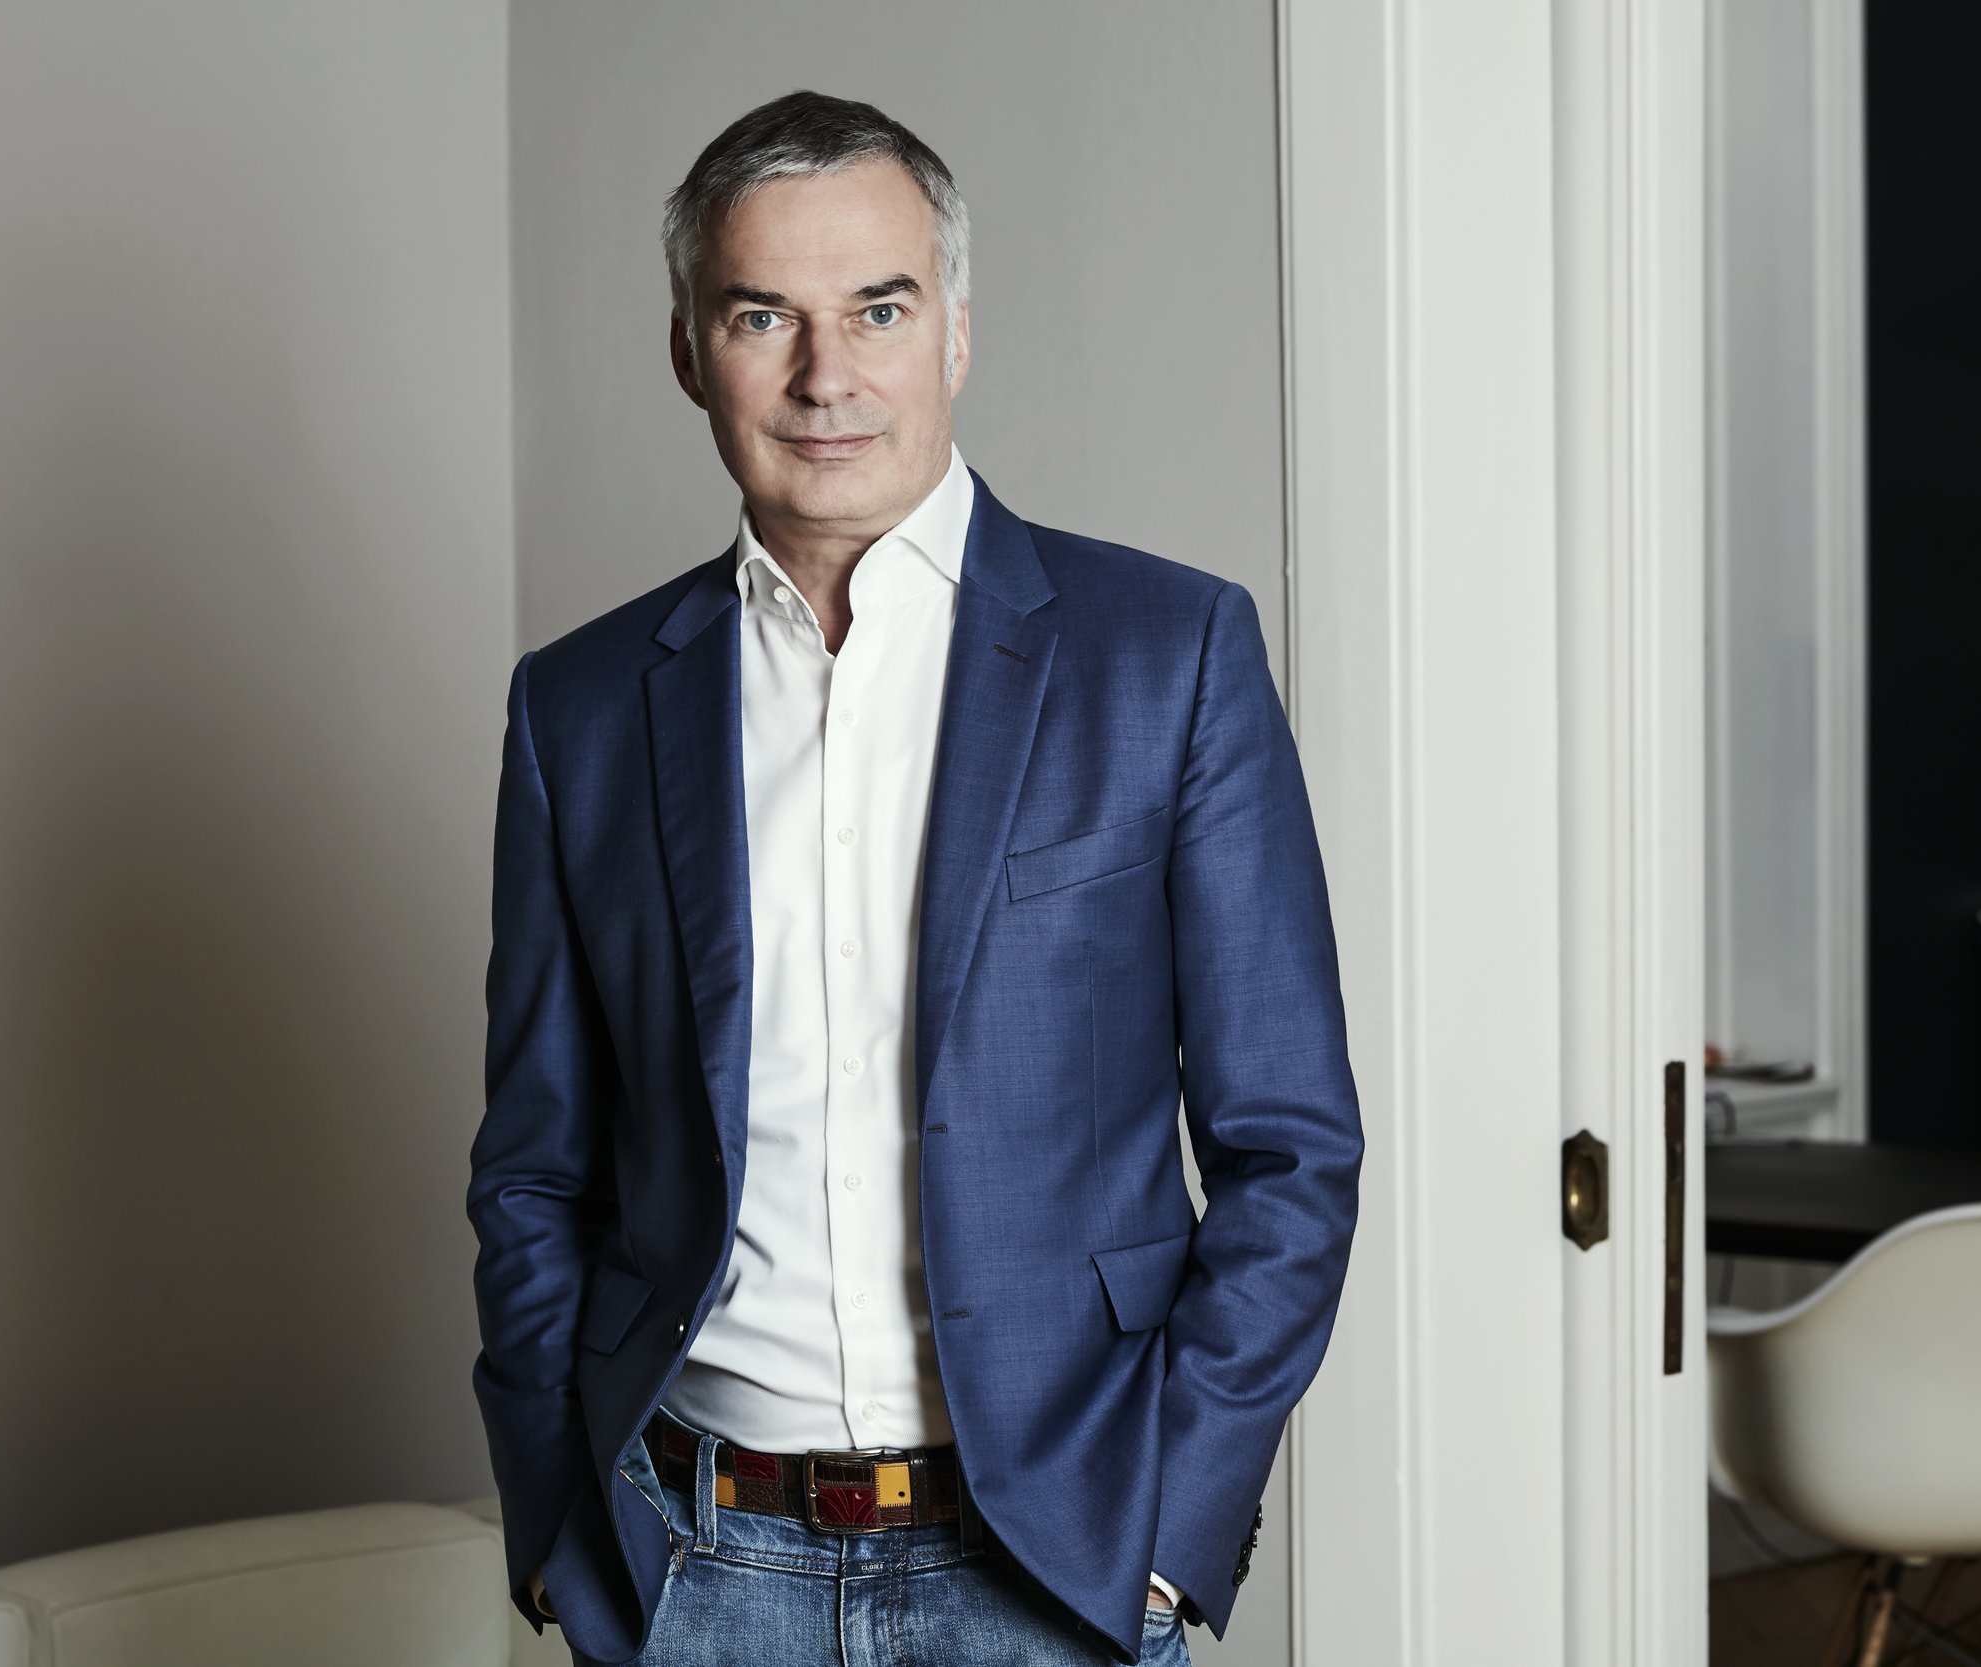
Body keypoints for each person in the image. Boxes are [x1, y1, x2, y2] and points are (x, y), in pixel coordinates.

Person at [466, 89, 1360, 1667]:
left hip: (1053, 1573)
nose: (828, 376)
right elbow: (539, 1167)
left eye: (878, 308)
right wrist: (556, 1528)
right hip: (695, 1570)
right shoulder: (584, 707)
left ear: (953, 329)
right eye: (765, 315)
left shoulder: (1169, 656)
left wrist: (1170, 1527)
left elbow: (1290, 1150)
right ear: (691, 350)